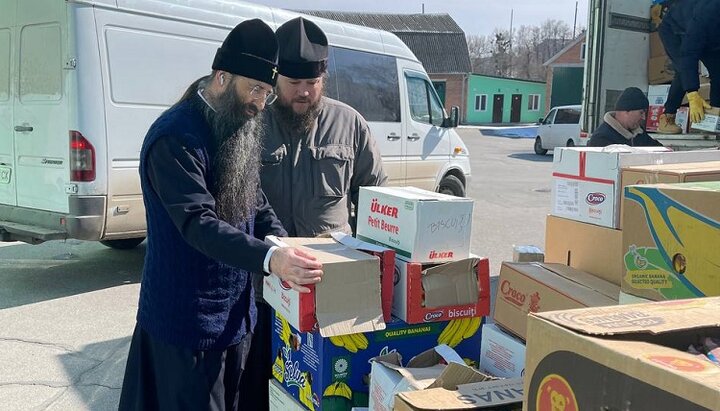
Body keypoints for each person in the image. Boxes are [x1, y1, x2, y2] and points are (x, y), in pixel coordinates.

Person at [118, 19, 324, 411]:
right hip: (186, 329)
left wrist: (284, 243)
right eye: (255, 89)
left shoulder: (238, 123)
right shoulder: (175, 138)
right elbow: (198, 223)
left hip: (236, 321)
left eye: (266, 91)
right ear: (222, 77)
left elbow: (255, 203)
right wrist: (270, 259)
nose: (261, 103)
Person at [239, 17, 387, 410]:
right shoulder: (251, 125)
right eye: (293, 83)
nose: (304, 92)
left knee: (327, 393)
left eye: (313, 83)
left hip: (334, 293)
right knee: (261, 391)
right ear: (276, 79)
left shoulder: (350, 124)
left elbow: (377, 203)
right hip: (263, 292)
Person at [656, 0, 720, 133]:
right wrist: (692, 93)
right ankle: (667, 117)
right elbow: (688, 53)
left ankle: (714, 119)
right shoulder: (708, 12)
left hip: (709, 39)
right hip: (676, 31)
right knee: (683, 71)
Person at [588, 87, 663, 147]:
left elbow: (660, 150)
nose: (643, 117)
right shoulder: (601, 138)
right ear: (626, 111)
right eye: (641, 112)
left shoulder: (639, 134)